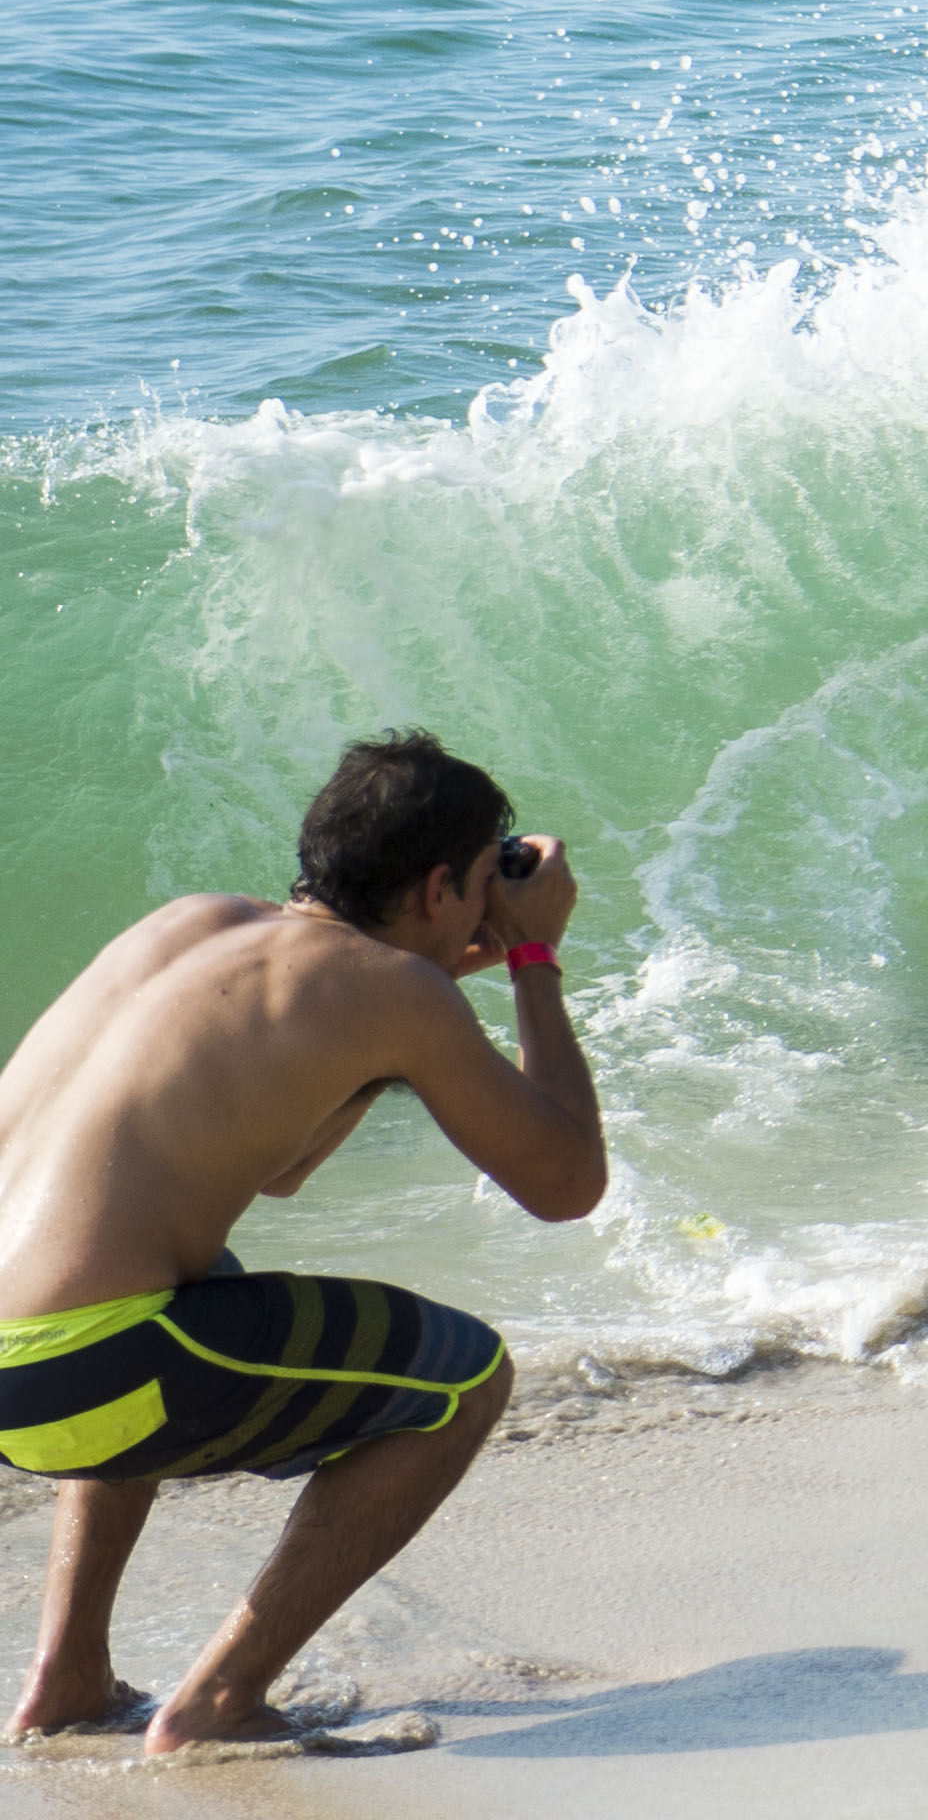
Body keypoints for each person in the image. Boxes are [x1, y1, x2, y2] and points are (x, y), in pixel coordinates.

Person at [0, 733, 601, 1756]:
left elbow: (284, 1168)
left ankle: (69, 1677)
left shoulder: (192, 923)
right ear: (440, 886)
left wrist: (426, 975)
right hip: (86, 1370)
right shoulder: (392, 988)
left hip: (28, 1371)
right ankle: (220, 1701)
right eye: (481, 881)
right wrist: (535, 959)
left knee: (178, 1283)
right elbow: (568, 1183)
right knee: (467, 1381)